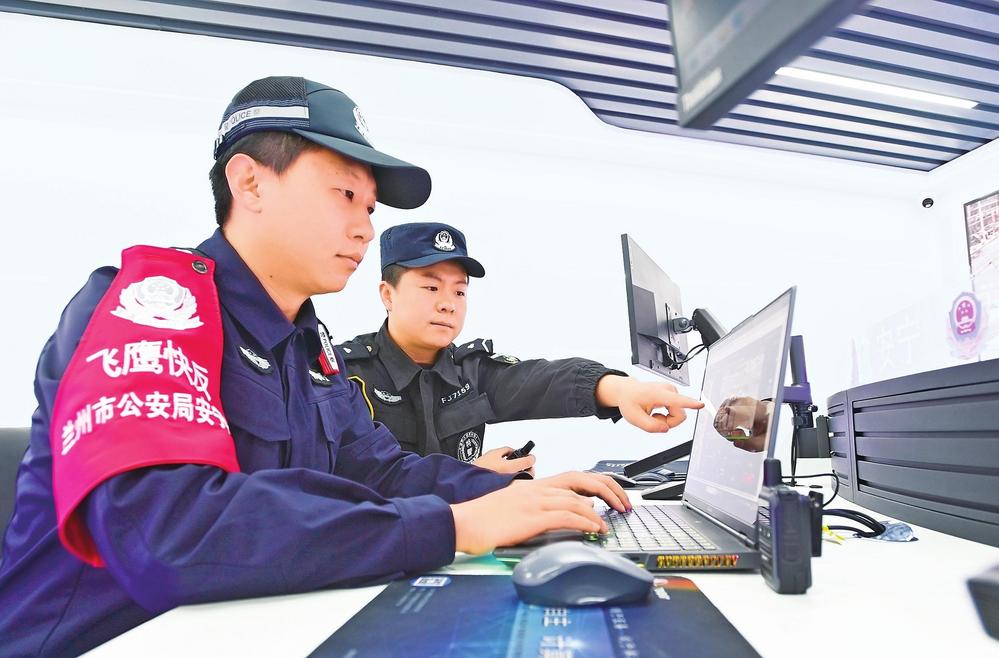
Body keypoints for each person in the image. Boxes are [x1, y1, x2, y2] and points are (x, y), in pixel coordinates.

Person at [0, 76, 641, 657]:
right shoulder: (153, 307)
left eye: (370, 208)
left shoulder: (310, 346)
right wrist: (451, 526)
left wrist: (510, 496)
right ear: (249, 183)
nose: (365, 229)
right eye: (345, 194)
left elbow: (381, 469)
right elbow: (166, 533)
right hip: (104, 640)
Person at [337, 221, 705, 474]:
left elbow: (544, 380)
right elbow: (356, 484)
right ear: (388, 294)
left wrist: (623, 390)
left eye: (460, 292)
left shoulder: (469, 371)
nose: (448, 304)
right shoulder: (343, 375)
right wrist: (472, 477)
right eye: (431, 288)